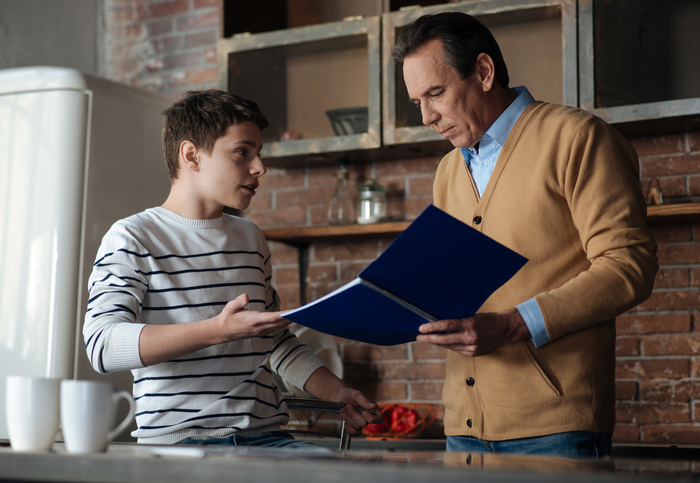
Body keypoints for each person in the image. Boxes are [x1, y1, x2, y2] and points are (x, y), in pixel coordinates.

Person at [392, 12, 658, 457]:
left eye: (436, 93)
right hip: (462, 426)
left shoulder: (577, 138)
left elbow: (629, 266)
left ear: (483, 71)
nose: (427, 116)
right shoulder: (447, 171)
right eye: (417, 100)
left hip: (554, 428)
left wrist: (515, 323)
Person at [84, 90, 380, 447]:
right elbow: (101, 345)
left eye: (259, 154)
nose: (260, 167)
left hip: (268, 439)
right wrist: (217, 330)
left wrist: (338, 391)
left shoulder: (251, 237)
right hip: (179, 446)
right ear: (191, 155)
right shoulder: (133, 236)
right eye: (243, 152)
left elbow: (271, 338)